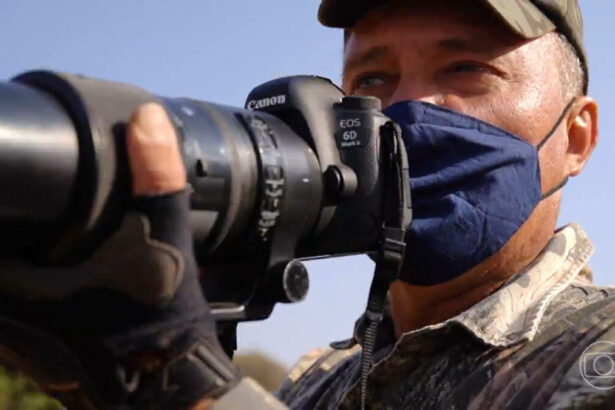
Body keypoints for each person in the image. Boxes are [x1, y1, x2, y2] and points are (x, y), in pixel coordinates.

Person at [0, 0, 611, 409]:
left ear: (576, 136)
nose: (409, 110)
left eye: (467, 67)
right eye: (372, 80)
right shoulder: (315, 381)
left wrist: (183, 381)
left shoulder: (596, 358)